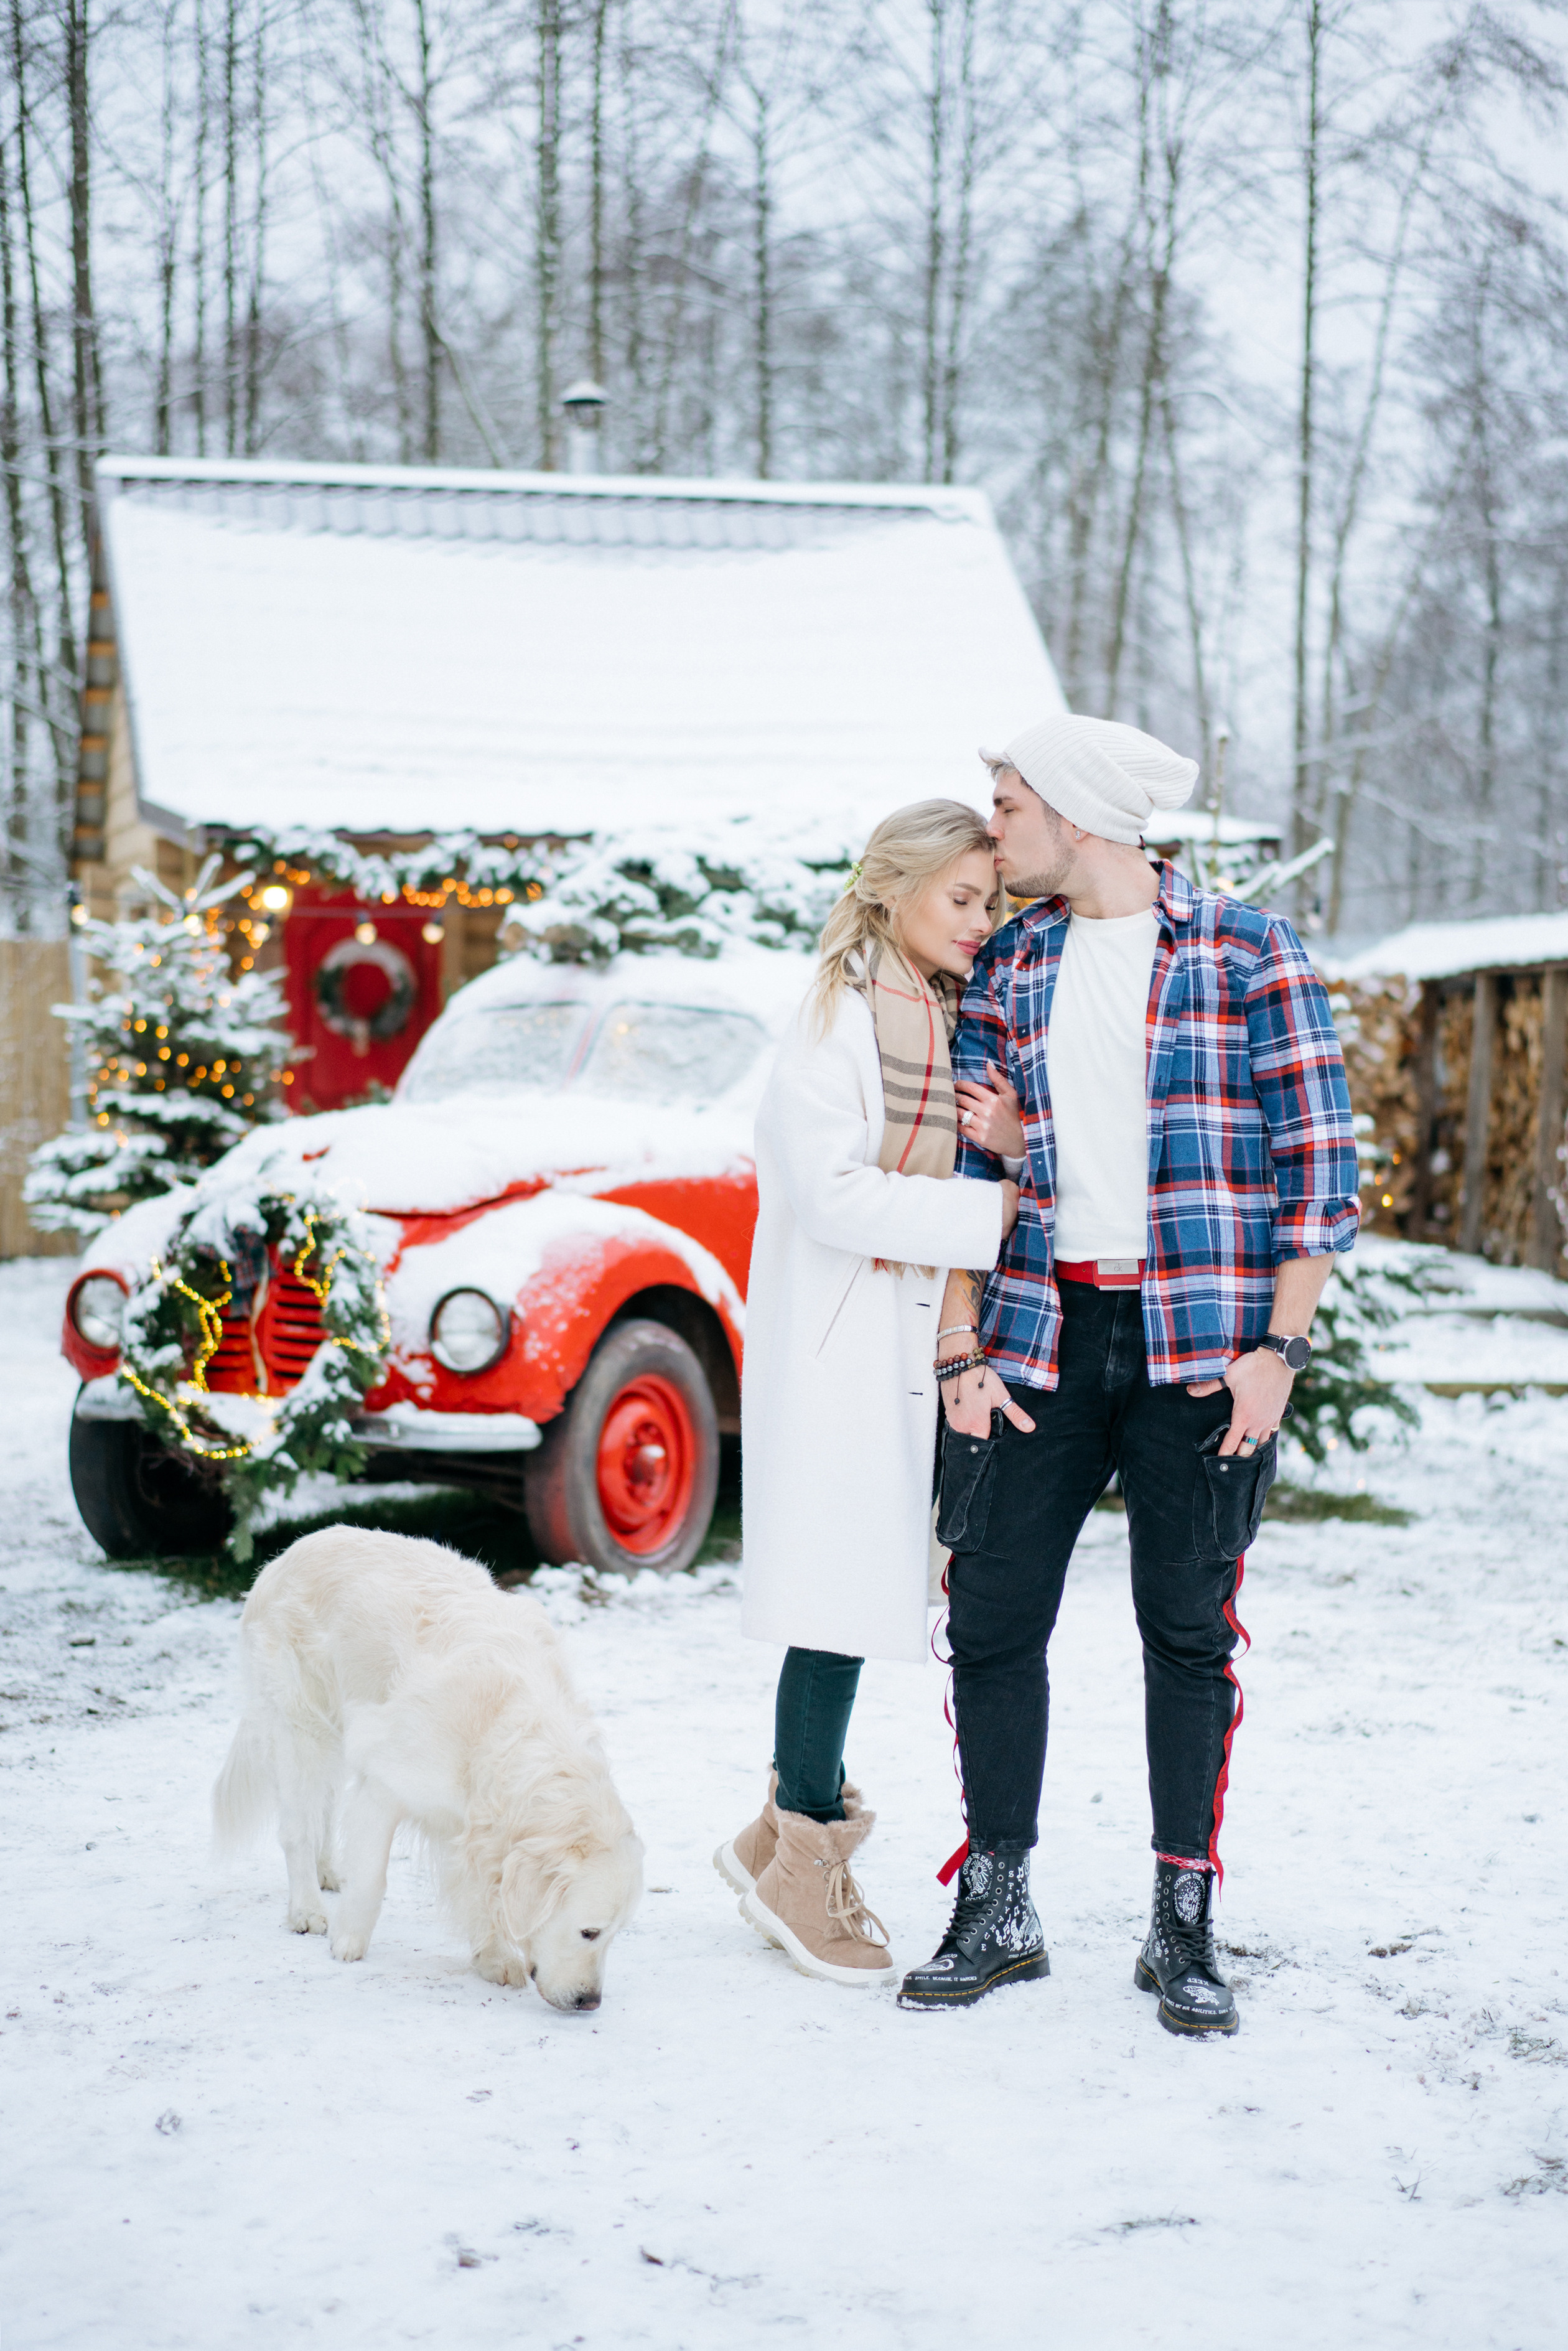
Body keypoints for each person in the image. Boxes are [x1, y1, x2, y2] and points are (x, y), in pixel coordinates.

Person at [897, 715, 1361, 2033]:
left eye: (1008, 806)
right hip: (1042, 1340)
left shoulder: (1247, 952)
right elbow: (970, 1180)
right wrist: (957, 1348)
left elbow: (1321, 1173)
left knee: (1187, 1631)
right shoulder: (1012, 962)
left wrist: (1278, 1350)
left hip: (1203, 1352)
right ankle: (998, 1899)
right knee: (989, 1619)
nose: (994, 831)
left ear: (1080, 813)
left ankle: (1183, 1914)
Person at [716, 800, 1020, 1986]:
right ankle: (802, 1856)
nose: (981, 923)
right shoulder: (839, 1018)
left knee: (847, 1596)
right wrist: (989, 1215)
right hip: (837, 1352)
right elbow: (833, 1193)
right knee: (834, 1603)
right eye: (963, 898)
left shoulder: (935, 1020)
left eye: (990, 901)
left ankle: (769, 1840)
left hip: (893, 1349)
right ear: (895, 888)